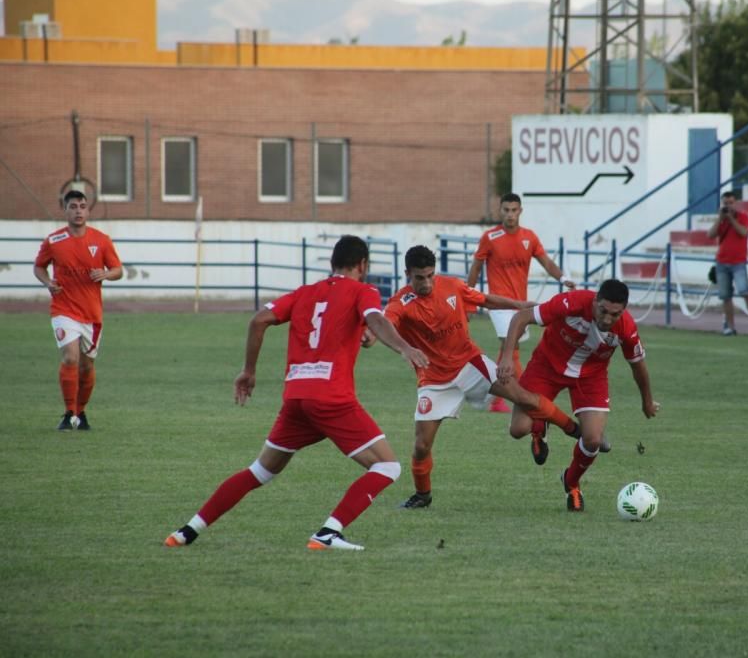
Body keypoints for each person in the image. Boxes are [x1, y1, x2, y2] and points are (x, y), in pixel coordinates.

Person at [164, 236, 429, 552]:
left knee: (260, 470)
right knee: (388, 467)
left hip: (296, 398)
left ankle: (186, 531)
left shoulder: (304, 293)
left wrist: (248, 371)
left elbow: (259, 319)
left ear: (332, 264)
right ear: (363, 265)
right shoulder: (364, 291)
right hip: (332, 398)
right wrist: (404, 346)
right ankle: (328, 533)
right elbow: (374, 318)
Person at [384, 245, 582, 509]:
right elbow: (385, 324)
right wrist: (405, 348)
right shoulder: (401, 302)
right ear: (408, 274)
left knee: (523, 397)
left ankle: (574, 429)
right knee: (421, 446)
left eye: (431, 275)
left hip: (470, 363)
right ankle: (423, 496)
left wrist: (520, 305)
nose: (427, 283)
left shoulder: (452, 286)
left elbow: (485, 300)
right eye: (420, 277)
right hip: (434, 380)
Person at [498, 279, 660, 512]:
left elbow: (638, 366)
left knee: (593, 439)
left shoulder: (626, 328)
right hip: (547, 365)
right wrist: (506, 357)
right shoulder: (571, 303)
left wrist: (647, 402)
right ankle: (539, 430)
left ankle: (571, 483)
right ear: (595, 301)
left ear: (623, 310)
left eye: (614, 314)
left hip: (590, 377)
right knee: (518, 430)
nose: (607, 319)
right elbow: (521, 317)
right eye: (603, 311)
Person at [466, 192, 576, 412]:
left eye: (514, 210)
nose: (510, 214)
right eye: (506, 210)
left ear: (520, 211)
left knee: (509, 348)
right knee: (511, 346)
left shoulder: (530, 237)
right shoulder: (490, 237)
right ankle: (528, 395)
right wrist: (468, 300)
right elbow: (476, 268)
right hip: (498, 304)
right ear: (501, 211)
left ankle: (495, 398)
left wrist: (563, 278)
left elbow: (546, 262)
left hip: (521, 306)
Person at [33, 190, 123, 431]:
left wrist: (106, 273)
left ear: (88, 210)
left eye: (82, 206)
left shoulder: (101, 240)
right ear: (65, 210)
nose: (79, 210)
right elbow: (39, 267)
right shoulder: (54, 241)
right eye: (73, 206)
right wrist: (48, 283)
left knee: (86, 366)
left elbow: (118, 270)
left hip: (92, 315)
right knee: (70, 357)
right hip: (63, 309)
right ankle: (68, 413)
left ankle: (81, 413)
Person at [707, 191, 748, 336]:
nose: (728, 206)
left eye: (731, 203)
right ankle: (730, 326)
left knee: (745, 292)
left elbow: (743, 232)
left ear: (736, 203)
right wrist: (720, 219)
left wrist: (731, 219)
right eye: (725, 203)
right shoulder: (722, 220)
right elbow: (710, 235)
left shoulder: (744, 217)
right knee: (725, 296)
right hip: (722, 262)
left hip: (738, 262)